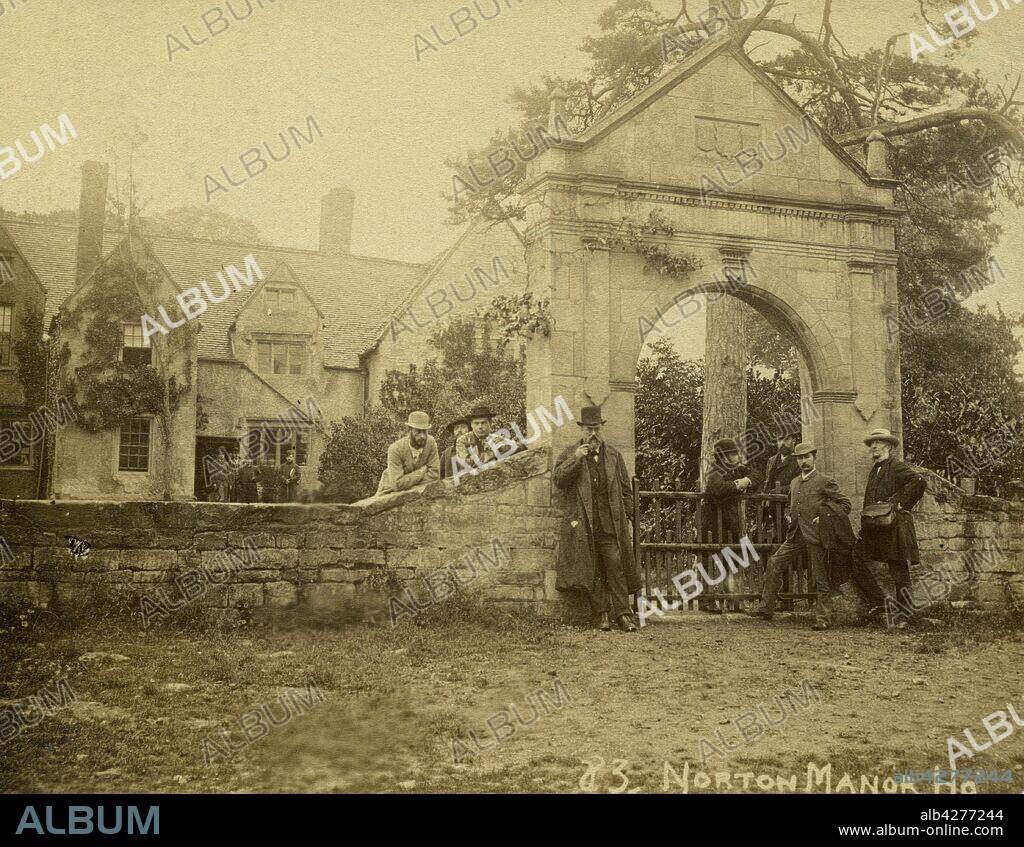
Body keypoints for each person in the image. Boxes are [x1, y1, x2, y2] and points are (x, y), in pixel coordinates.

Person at [553, 405, 641, 632]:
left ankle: (623, 615)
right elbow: (559, 480)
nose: (593, 434)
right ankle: (601, 614)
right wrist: (576, 459)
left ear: (602, 429)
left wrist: (629, 513)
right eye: (589, 429)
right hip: (583, 524)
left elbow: (625, 488)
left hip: (610, 523)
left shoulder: (613, 455)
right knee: (591, 568)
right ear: (582, 430)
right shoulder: (571, 452)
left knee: (615, 565)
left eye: (597, 429)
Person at [747, 442, 851, 630]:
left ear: (814, 458)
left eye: (807, 457)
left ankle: (823, 618)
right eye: (800, 458)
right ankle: (766, 608)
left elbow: (845, 505)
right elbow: (790, 503)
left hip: (816, 536)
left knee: (821, 577)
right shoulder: (795, 482)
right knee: (774, 563)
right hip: (795, 535)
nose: (804, 461)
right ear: (797, 461)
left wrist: (824, 518)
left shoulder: (824, 481)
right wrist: (788, 513)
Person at [856, 428, 927, 628]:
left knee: (898, 571)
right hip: (875, 527)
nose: (874, 447)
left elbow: (919, 481)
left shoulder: (896, 466)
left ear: (888, 446)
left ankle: (905, 616)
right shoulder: (875, 469)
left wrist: (900, 504)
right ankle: (879, 603)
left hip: (894, 526)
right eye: (871, 444)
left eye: (878, 443)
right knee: (855, 559)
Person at [702, 438, 763, 613]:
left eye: (736, 453)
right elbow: (718, 489)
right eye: (732, 454)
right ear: (722, 456)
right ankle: (707, 600)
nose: (737, 456)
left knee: (732, 560)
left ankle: (732, 599)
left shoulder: (738, 469)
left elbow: (758, 475)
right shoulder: (714, 470)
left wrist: (746, 481)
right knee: (708, 560)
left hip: (730, 522)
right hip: (711, 522)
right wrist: (738, 485)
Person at [376, 411, 440, 495]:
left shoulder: (431, 443)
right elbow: (397, 484)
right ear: (409, 430)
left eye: (425, 431)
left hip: (420, 490)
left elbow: (435, 475)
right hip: (389, 491)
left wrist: (409, 484)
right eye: (418, 431)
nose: (422, 436)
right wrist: (421, 472)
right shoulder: (395, 449)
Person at [456, 405, 500, 469]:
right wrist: (491, 452)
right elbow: (467, 463)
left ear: (490, 423)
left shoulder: (496, 439)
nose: (480, 427)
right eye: (476, 423)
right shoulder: (462, 441)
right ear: (471, 424)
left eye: (483, 423)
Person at [440, 416, 469, 480]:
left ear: (469, 430)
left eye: (463, 427)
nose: (459, 430)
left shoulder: (475, 448)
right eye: (456, 428)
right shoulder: (447, 453)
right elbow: (440, 475)